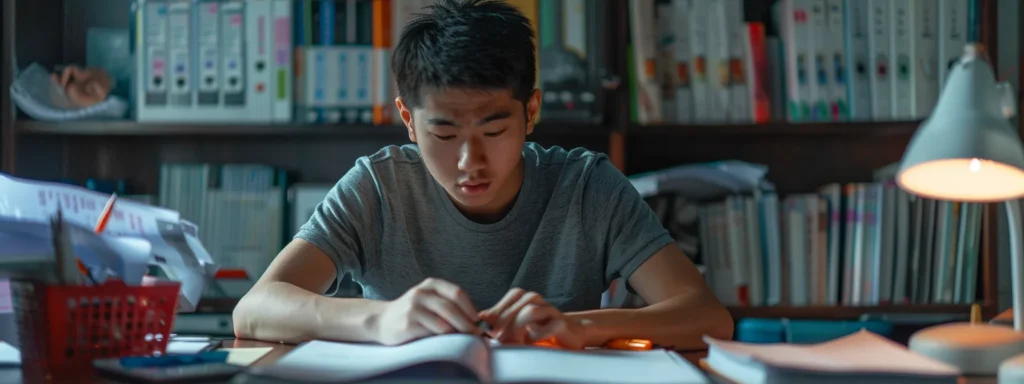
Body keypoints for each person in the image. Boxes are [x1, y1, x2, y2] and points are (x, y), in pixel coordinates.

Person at [232, 0, 732, 350]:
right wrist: (382, 319)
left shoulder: (586, 186)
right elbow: (255, 309)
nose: (471, 161)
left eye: (494, 130)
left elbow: (707, 316)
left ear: (530, 111)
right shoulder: (379, 187)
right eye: (444, 134)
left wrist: (578, 327)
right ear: (408, 119)